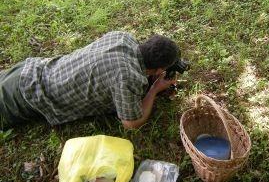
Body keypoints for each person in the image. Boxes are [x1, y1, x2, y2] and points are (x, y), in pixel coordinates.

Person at [0, 31, 180, 130]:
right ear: (158, 70)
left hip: (28, 69)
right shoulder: (128, 77)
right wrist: (154, 89)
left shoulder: (123, 37)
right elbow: (131, 123)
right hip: (25, 97)